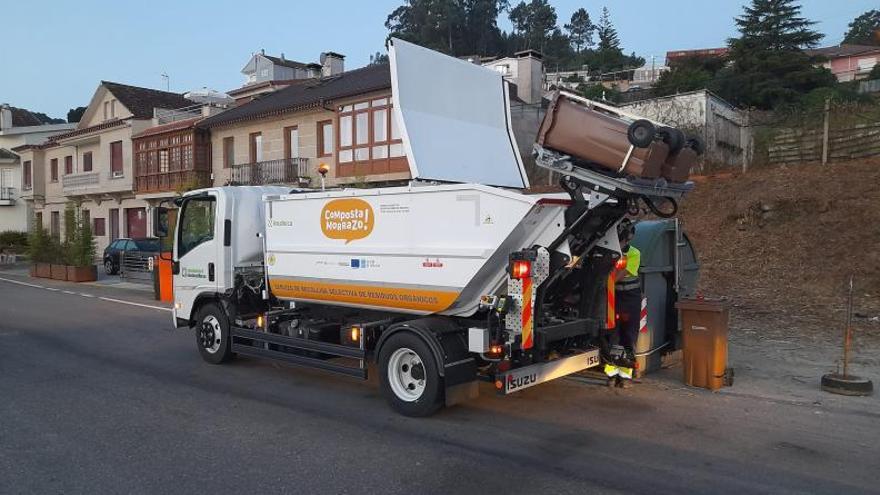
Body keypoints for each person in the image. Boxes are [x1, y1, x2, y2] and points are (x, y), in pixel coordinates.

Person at [605, 219, 642, 388]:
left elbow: (616, 277)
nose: (620, 243)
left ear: (630, 238)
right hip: (614, 297)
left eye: (622, 239)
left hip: (629, 298)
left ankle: (626, 375)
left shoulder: (634, 253)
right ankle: (611, 375)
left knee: (628, 336)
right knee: (613, 336)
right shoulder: (612, 252)